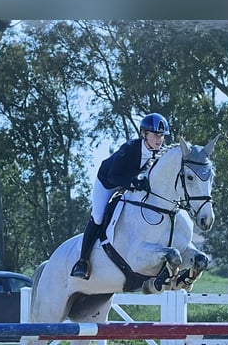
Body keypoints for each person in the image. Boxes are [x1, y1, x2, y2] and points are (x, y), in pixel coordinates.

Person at [70, 112, 170, 279]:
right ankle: (82, 261)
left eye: (161, 135)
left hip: (129, 185)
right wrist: (132, 183)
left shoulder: (158, 154)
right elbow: (113, 176)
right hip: (107, 182)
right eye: (155, 135)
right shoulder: (130, 148)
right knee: (98, 216)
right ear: (144, 134)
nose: (159, 139)